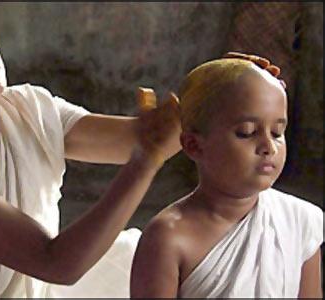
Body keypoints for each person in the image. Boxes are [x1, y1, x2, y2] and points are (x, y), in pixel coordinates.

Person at [0, 0, 283, 297]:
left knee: (157, 263)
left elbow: (137, 139)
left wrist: (229, 90)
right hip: (40, 276)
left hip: (38, 289)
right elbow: (58, 264)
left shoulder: (27, 107)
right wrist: (146, 162)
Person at [130, 57, 323, 298]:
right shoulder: (168, 237)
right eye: (247, 133)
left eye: (277, 133)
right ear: (194, 145)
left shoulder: (300, 220)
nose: (268, 147)